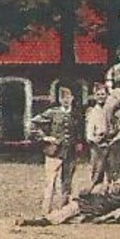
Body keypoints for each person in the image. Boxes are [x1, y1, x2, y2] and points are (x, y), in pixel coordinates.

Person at [30, 85, 79, 216]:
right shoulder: (53, 112)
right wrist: (45, 137)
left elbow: (79, 131)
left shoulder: (76, 113)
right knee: (50, 181)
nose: (66, 100)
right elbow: (33, 124)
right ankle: (46, 210)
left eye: (68, 97)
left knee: (67, 182)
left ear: (72, 98)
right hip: (54, 151)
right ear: (59, 99)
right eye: (63, 98)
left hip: (70, 152)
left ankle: (63, 210)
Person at [84, 81, 120, 192]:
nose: (100, 97)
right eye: (98, 94)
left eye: (103, 94)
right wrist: (94, 139)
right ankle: (97, 200)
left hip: (112, 143)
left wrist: (115, 139)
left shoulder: (115, 110)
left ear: (107, 95)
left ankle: (114, 197)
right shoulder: (92, 111)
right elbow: (89, 131)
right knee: (97, 173)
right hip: (97, 146)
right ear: (94, 96)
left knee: (114, 173)